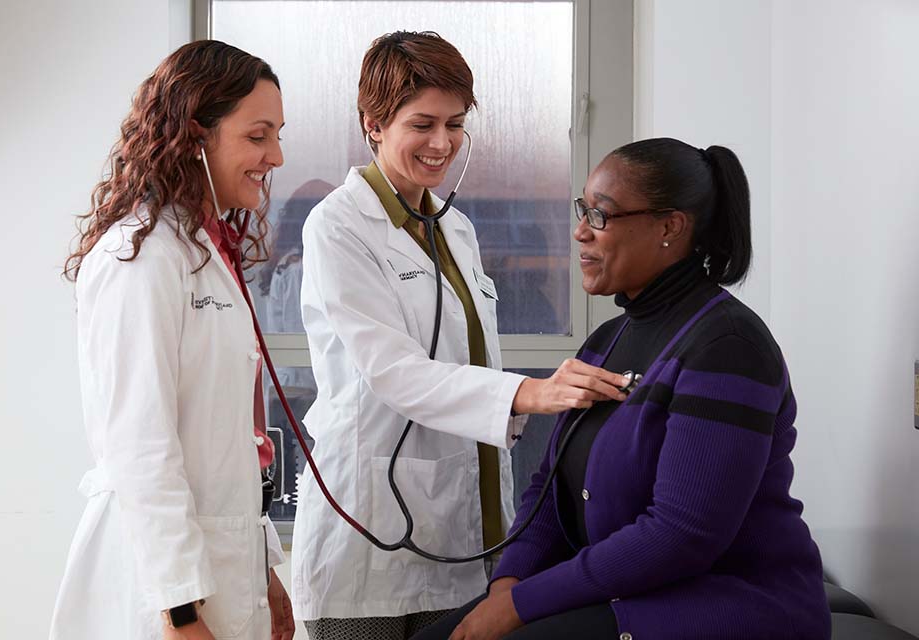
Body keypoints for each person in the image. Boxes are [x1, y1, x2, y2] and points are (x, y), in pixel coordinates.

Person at [414, 138, 831, 640]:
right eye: (583, 210)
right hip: (638, 591)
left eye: (601, 216)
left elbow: (681, 535)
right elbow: (547, 490)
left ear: (670, 227)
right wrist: (509, 583)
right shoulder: (606, 343)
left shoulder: (727, 346)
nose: (579, 231)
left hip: (730, 604)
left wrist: (523, 606)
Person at [292, 31, 627, 640]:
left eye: (455, 123)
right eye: (422, 123)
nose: (441, 142)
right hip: (371, 539)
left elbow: (469, 353)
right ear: (373, 123)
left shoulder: (457, 230)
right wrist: (532, 394)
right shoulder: (337, 227)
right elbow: (394, 371)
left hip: (463, 529)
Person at [52, 40, 296, 640]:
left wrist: (264, 567)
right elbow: (142, 447)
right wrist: (179, 613)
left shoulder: (205, 251)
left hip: (221, 564)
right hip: (161, 587)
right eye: (258, 136)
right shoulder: (139, 258)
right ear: (195, 136)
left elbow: (233, 441)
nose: (277, 156)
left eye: (278, 134)